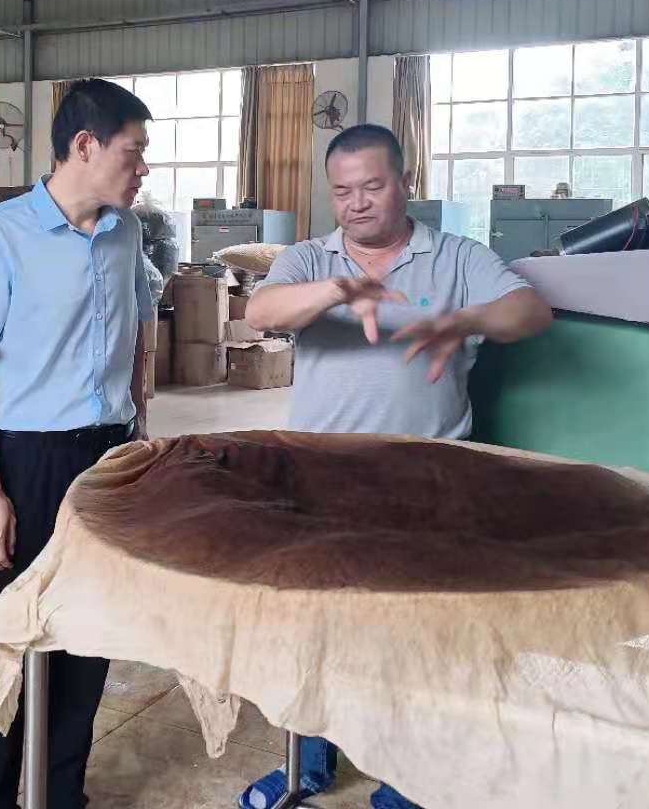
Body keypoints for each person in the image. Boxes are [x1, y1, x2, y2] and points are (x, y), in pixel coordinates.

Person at [237, 123, 553, 809]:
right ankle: (306, 763)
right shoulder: (308, 258)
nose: (357, 203)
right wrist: (338, 290)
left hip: (428, 481)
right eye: (342, 191)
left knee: (416, 633)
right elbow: (260, 311)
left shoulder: (457, 256)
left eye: (372, 187)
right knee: (312, 626)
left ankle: (408, 780)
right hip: (320, 478)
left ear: (405, 183)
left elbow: (530, 310)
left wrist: (465, 320)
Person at [0, 79, 156, 809]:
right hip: (30, 458)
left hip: (110, 457)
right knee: (16, 635)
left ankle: (62, 791)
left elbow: (139, 327)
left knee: (90, 634)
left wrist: (141, 422)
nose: (143, 168)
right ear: (85, 146)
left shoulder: (127, 232)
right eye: (133, 152)